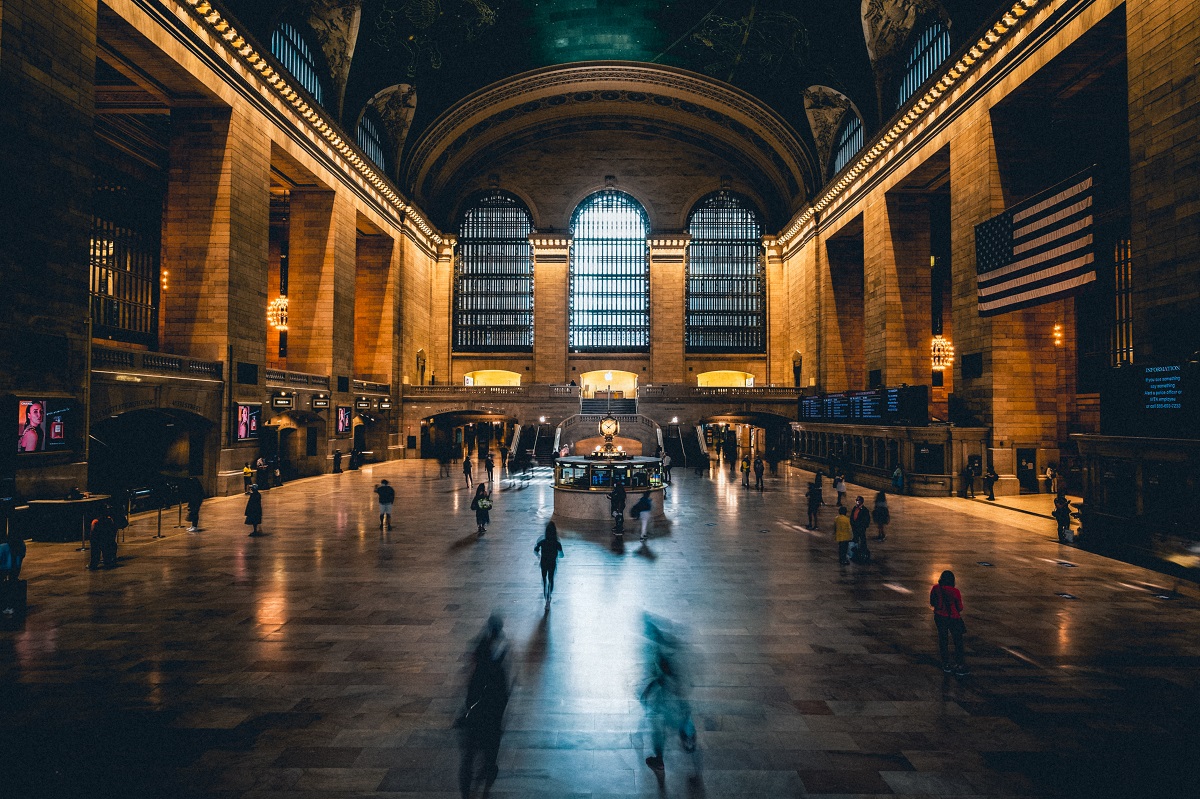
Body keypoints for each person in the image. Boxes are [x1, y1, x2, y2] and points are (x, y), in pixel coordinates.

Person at [456, 615, 510, 799]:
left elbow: (470, 685)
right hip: (491, 715)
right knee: (489, 755)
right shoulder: (500, 654)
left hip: (475, 713)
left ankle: (468, 792)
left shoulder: (481, 648)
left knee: (468, 758)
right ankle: (485, 783)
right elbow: (503, 694)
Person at [640, 614, 697, 775]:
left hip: (668, 695)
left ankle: (659, 761)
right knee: (684, 713)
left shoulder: (660, 651)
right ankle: (688, 736)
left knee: (659, 728)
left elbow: (664, 676)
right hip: (680, 692)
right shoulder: (674, 646)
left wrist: (648, 689)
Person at [930, 570, 967, 676]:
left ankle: (946, 664)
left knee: (943, 639)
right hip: (953, 618)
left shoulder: (935, 588)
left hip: (939, 616)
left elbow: (932, 602)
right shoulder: (955, 591)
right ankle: (959, 664)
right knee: (958, 641)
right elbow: (959, 607)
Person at [533, 522, 564, 607]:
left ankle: (545, 595)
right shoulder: (557, 543)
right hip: (552, 563)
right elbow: (562, 555)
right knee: (551, 579)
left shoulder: (542, 541)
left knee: (544, 579)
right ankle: (549, 598)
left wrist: (539, 556)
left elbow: (535, 550)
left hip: (544, 562)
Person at [88, 505, 119, 570]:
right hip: (108, 533)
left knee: (95, 548)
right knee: (107, 546)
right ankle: (108, 561)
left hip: (98, 534)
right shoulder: (110, 520)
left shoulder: (96, 522)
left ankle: (94, 564)